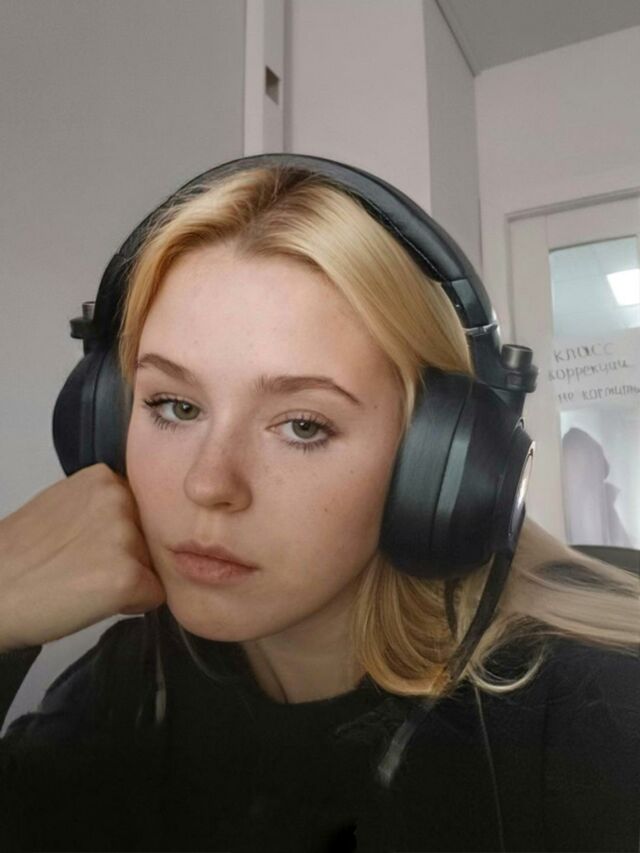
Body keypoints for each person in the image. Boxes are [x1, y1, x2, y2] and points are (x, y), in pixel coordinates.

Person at [1, 162, 639, 853]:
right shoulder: (128, 680)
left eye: (303, 425)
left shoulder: (595, 713)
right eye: (175, 406)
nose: (208, 485)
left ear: (435, 462)